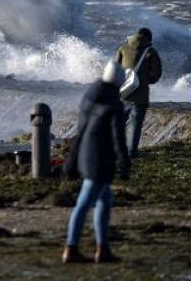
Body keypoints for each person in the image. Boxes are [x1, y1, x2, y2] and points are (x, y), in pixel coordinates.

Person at [63, 61, 131, 264]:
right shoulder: (114, 104)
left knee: (104, 200)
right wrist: (124, 163)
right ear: (119, 82)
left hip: (84, 153)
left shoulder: (90, 96)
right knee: (83, 204)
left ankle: (103, 248)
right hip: (100, 159)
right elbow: (118, 138)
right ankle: (71, 247)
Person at [114, 27, 163, 158]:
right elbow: (156, 74)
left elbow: (115, 69)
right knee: (135, 127)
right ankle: (131, 153)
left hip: (122, 95)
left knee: (118, 125)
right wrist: (146, 80)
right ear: (149, 39)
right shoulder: (151, 51)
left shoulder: (123, 48)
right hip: (140, 97)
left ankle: (115, 150)